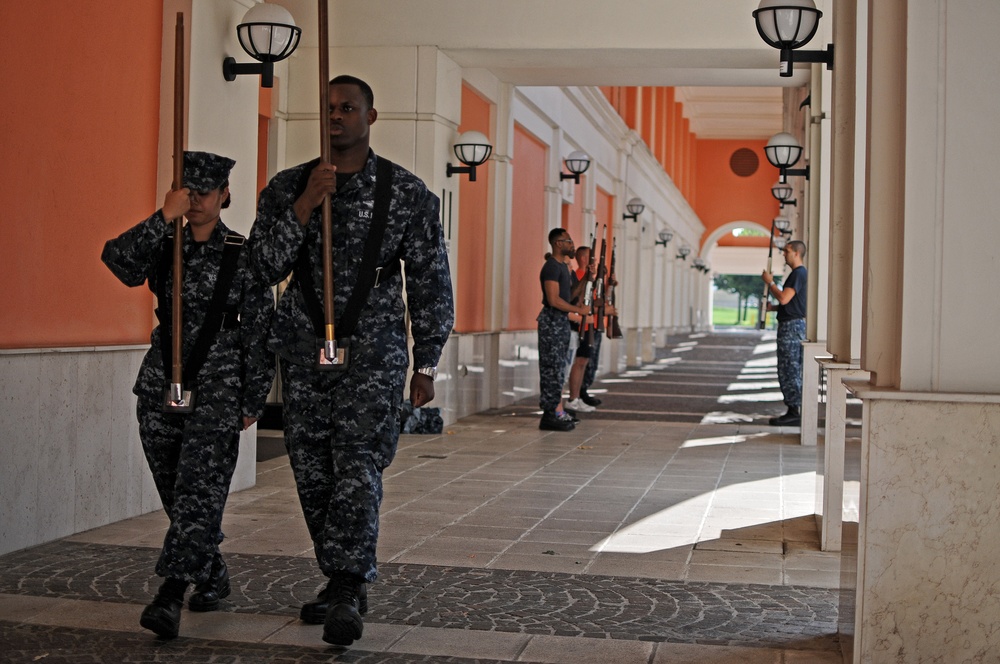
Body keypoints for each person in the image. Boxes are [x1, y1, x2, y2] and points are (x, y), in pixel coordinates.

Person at [248, 75, 453, 646]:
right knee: (313, 471)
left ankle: (344, 585)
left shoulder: (407, 194)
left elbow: (432, 283)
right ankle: (344, 575)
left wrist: (426, 362)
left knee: (358, 467)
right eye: (328, 108)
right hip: (305, 349)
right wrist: (307, 203)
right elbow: (263, 267)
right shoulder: (288, 187)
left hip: (376, 352)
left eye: (347, 108)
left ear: (371, 115)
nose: (335, 116)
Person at [101, 152, 275, 639]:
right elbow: (118, 261)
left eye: (206, 190)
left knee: (200, 490)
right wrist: (162, 218)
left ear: (224, 194)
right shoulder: (164, 243)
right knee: (180, 494)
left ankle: (170, 593)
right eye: (187, 189)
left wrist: (252, 400)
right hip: (160, 384)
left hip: (219, 388)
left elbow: (260, 333)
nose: (196, 199)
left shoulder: (242, 254)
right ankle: (211, 570)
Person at [538, 229, 591, 431]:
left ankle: (557, 411)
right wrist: (579, 310)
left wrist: (586, 278)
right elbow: (553, 300)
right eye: (569, 241)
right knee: (551, 368)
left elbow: (568, 296)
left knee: (559, 369)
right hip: (552, 322)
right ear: (559, 244)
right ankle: (550, 414)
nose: (572, 245)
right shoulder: (551, 267)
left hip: (560, 323)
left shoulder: (562, 268)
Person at [762, 240, 808, 426]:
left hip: (791, 328)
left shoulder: (798, 274)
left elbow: (784, 297)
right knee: (789, 368)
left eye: (787, 251)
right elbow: (790, 303)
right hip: (792, 324)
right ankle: (794, 408)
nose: (784, 254)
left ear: (797, 253)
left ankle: (794, 409)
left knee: (789, 368)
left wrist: (770, 282)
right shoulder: (798, 274)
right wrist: (773, 308)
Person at [565, 245, 597, 413]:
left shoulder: (582, 276)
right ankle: (572, 399)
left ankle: (576, 397)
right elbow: (570, 304)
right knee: (575, 364)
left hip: (585, 324)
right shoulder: (576, 276)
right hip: (576, 326)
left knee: (583, 362)